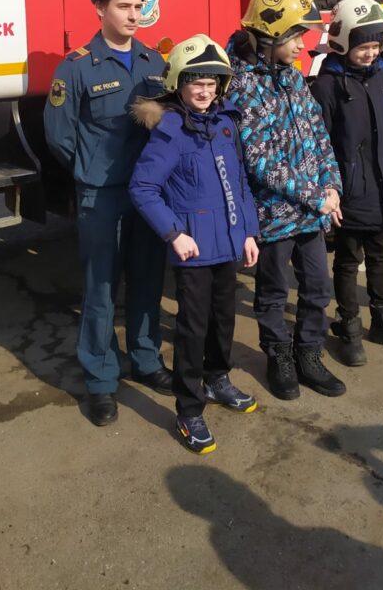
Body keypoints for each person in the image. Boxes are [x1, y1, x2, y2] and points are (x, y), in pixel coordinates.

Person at [44, 0, 172, 427]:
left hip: (149, 197)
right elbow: (60, 136)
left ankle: (147, 359)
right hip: (102, 196)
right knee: (100, 289)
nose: (135, 15)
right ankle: (100, 379)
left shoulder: (154, 63)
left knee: (147, 280)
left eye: (139, 7)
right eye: (124, 6)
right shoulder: (76, 67)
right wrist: (93, 170)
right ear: (99, 7)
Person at [129, 36, 260, 454]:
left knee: (224, 319)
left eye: (211, 82)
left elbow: (240, 183)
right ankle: (189, 408)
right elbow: (143, 187)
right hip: (193, 250)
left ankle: (218, 378)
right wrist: (174, 233)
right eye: (195, 82)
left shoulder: (226, 123)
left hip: (228, 244)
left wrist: (249, 232)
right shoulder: (171, 129)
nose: (203, 91)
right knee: (192, 328)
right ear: (178, 84)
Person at [227, 0, 345, 400]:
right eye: (296, 35)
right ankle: (278, 354)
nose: (303, 43)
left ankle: (309, 353)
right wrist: (315, 196)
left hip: (310, 213)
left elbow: (319, 136)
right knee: (274, 292)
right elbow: (258, 160)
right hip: (274, 215)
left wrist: (331, 184)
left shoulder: (294, 80)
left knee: (318, 287)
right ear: (270, 34)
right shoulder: (242, 85)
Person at [311, 0, 383, 365]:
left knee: (381, 257)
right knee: (347, 262)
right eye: (362, 45)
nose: (370, 52)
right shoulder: (327, 86)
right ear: (343, 41)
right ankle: (349, 328)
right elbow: (319, 145)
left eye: (376, 44)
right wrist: (329, 193)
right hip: (349, 193)